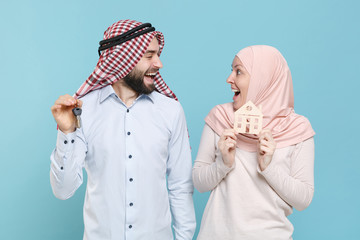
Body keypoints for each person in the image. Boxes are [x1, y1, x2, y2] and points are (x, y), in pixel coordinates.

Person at [50, 19, 195, 240]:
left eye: (158, 55)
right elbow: (63, 190)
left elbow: (180, 185)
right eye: (149, 56)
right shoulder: (84, 111)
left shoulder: (171, 111)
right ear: (121, 59)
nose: (158, 63)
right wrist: (66, 132)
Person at [192, 45, 315, 240]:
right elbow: (199, 182)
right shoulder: (220, 117)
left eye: (238, 71)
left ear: (263, 79)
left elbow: (303, 200)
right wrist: (223, 164)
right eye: (232, 70)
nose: (229, 78)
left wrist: (268, 168)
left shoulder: (297, 128)